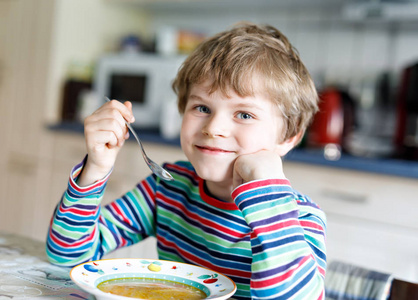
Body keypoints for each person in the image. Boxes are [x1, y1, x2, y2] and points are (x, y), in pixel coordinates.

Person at [46, 22, 326, 299]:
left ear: (289, 136)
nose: (213, 128)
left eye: (244, 114)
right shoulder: (167, 188)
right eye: (202, 107)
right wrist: (97, 166)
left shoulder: (300, 219)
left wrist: (267, 196)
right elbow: (66, 255)